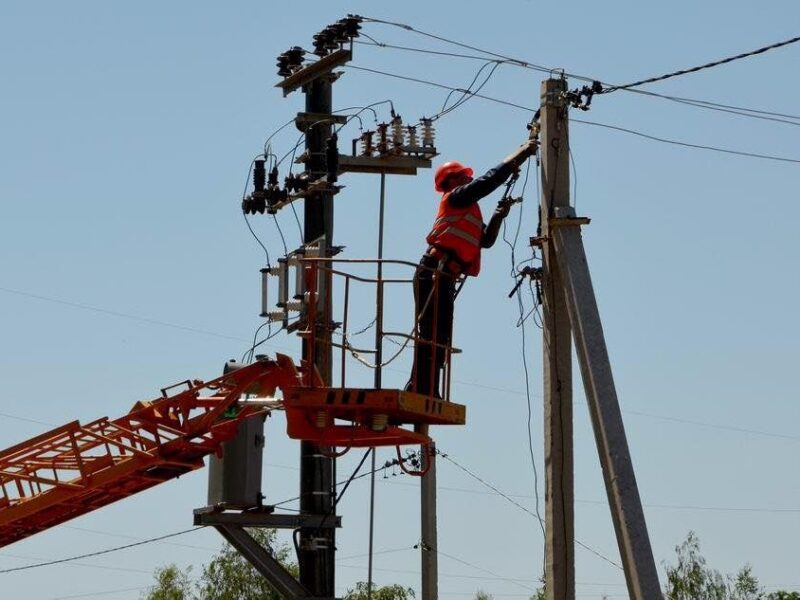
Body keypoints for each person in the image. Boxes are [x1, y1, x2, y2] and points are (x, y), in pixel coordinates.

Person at [407, 139, 538, 398]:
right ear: (451, 181)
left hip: (444, 275)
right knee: (430, 333)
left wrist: (499, 215)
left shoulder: (467, 210)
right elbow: (487, 181)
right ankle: (420, 388)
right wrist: (519, 155)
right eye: (463, 177)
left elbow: (485, 241)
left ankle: (428, 388)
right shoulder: (455, 199)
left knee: (440, 336)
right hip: (434, 271)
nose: (468, 181)